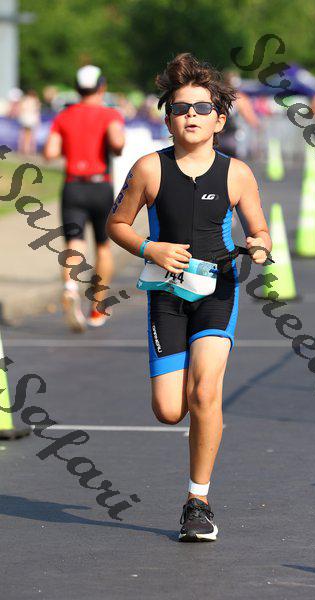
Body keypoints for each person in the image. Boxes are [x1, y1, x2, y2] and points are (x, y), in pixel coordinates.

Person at [106, 53, 272, 542]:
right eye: (181, 108)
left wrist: (260, 246)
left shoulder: (237, 173)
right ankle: (195, 434)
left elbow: (259, 229)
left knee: (205, 391)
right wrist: (150, 247)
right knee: (169, 409)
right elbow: (117, 224)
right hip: (167, 294)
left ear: (220, 119)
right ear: (168, 119)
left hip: (218, 290)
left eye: (202, 108)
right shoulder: (149, 169)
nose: (191, 116)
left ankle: (197, 501)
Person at [43, 65, 125, 331]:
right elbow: (118, 143)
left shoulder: (64, 116)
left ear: (77, 88)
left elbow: (50, 152)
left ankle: (70, 287)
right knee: (103, 247)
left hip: (73, 187)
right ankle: (97, 308)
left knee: (74, 243)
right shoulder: (109, 114)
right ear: (102, 86)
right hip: (100, 187)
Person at [18, 89, 41, 155]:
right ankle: (31, 150)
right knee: (31, 135)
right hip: (31, 119)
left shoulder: (25, 100)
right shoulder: (35, 101)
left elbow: (21, 109)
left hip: (25, 119)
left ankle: (23, 149)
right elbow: (37, 111)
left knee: (23, 134)